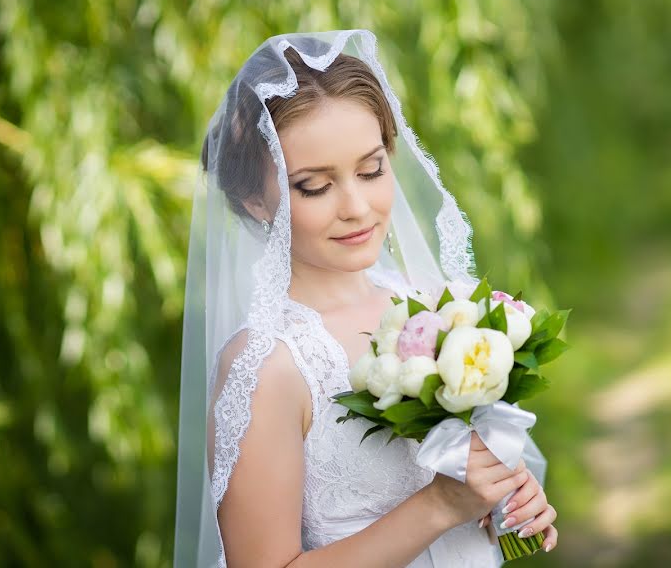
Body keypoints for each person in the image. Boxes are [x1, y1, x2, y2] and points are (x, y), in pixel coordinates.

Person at [174, 30, 558, 568]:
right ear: (256, 200)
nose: (356, 206)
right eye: (315, 185)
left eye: (371, 169)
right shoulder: (269, 368)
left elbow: (472, 478)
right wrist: (440, 505)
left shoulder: (434, 310)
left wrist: (503, 501)